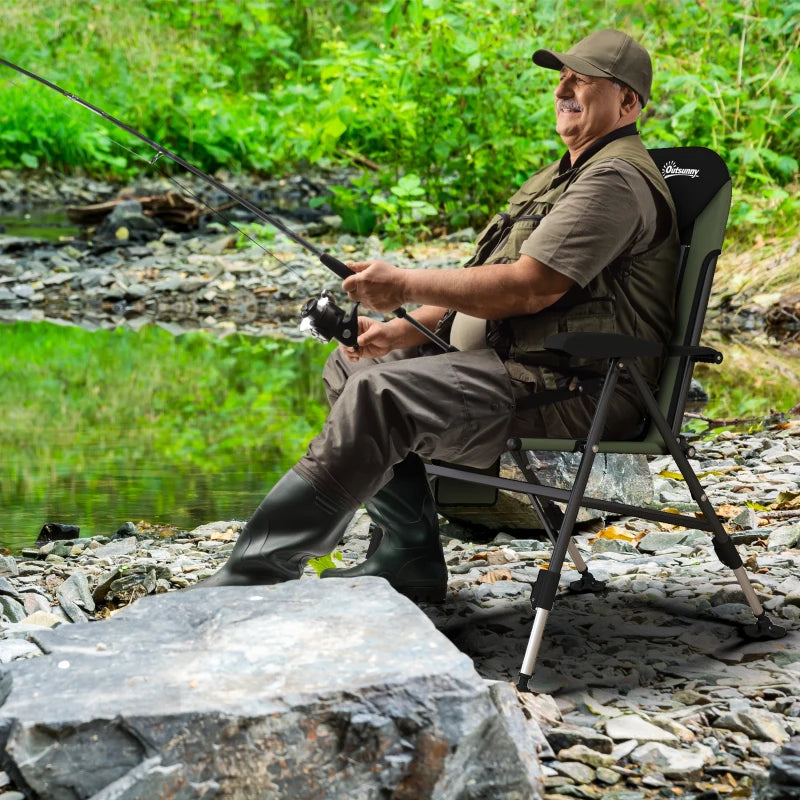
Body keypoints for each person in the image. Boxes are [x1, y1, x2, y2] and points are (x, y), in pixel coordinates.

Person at [197, 29, 679, 598]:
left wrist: (400, 282)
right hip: (521, 367)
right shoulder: (562, 175)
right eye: (562, 76)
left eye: (584, 78)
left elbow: (528, 288)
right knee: (353, 366)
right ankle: (408, 556)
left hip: (584, 387)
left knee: (385, 397)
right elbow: (480, 279)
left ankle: (254, 573)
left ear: (627, 103)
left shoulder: (615, 180)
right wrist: (399, 330)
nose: (565, 87)